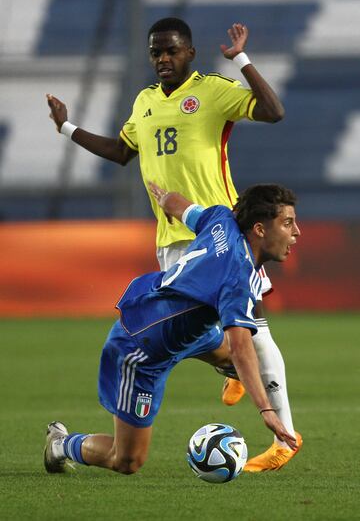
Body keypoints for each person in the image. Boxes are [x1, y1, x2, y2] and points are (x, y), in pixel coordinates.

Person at [46, 17, 299, 470]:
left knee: (253, 330)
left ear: (189, 53)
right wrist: (67, 129)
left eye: (171, 51)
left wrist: (241, 60)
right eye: (155, 53)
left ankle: (284, 436)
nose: (163, 59)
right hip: (171, 240)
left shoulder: (214, 91)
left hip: (222, 233)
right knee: (195, 325)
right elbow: (122, 153)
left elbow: (274, 111)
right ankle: (228, 366)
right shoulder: (144, 102)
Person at [44, 183, 302, 476]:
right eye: (288, 223)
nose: (296, 232)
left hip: (186, 328)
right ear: (259, 229)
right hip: (143, 349)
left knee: (241, 360)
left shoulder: (222, 219)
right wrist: (266, 410)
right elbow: (243, 347)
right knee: (127, 460)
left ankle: (233, 373)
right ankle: (61, 444)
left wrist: (163, 198)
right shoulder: (237, 278)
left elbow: (178, 205)